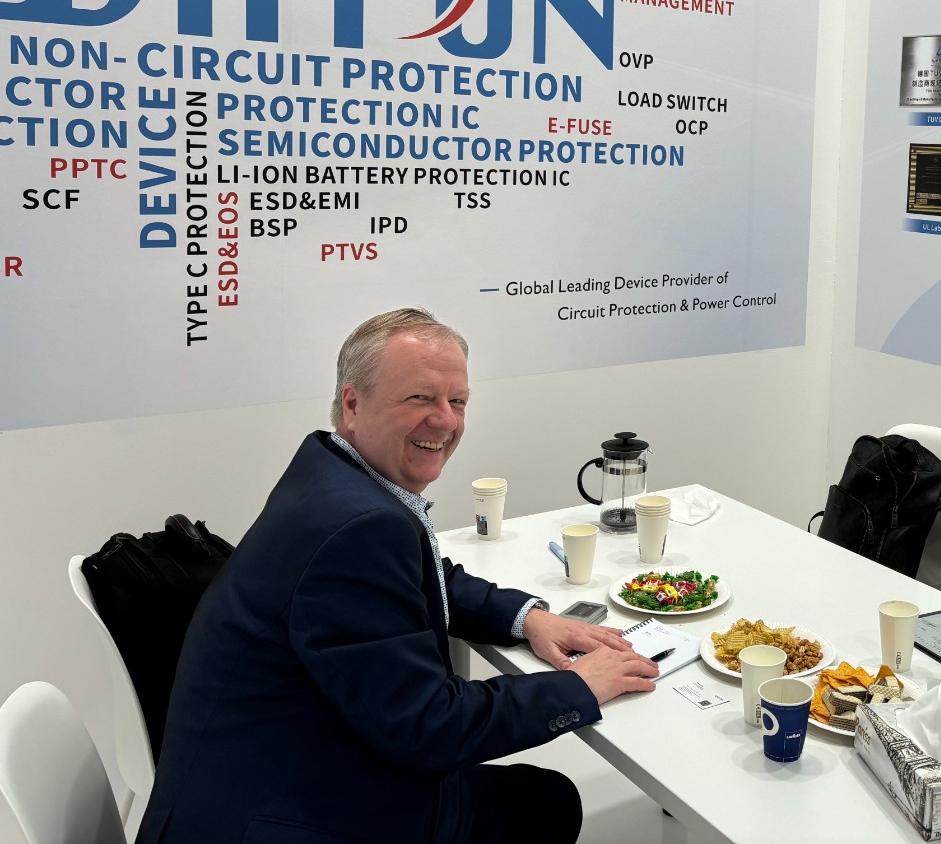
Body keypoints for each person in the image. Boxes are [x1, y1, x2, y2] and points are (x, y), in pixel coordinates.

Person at [136, 308, 660, 844]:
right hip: (291, 813)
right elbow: (428, 727)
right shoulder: (359, 527)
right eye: (419, 398)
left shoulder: (330, 473)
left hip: (261, 774)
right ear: (352, 403)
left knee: (536, 796)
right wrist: (577, 687)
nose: (446, 421)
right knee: (547, 803)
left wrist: (527, 618)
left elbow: (417, 577)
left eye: (458, 401)